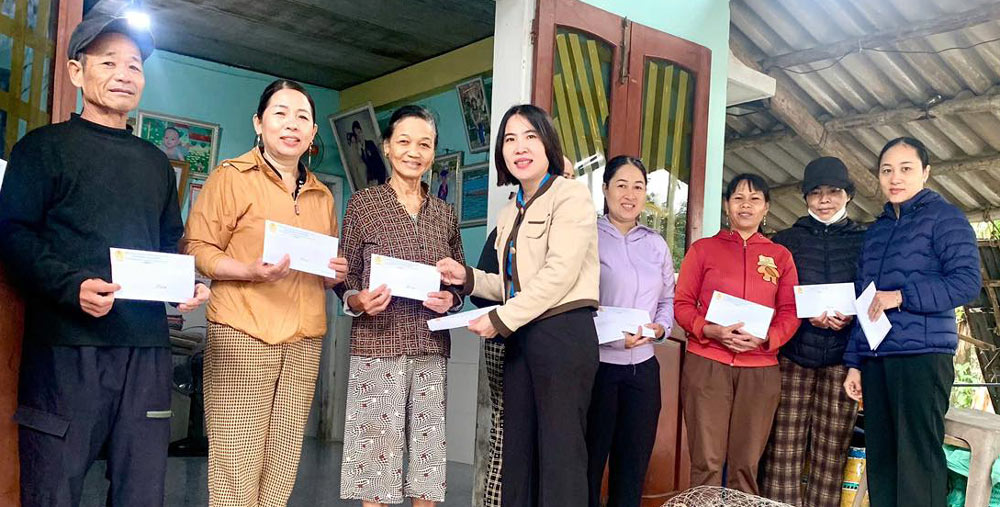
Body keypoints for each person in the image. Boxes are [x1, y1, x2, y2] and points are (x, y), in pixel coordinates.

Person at [0, 13, 210, 506]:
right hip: (66, 348)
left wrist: (187, 283)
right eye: (109, 61)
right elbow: (12, 235)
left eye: (134, 65)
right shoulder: (42, 149)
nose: (123, 73)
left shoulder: (156, 162)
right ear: (77, 72)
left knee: (141, 490)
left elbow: (167, 242)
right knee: (53, 485)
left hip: (147, 349)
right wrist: (70, 286)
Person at [184, 79, 346, 506]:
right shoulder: (230, 177)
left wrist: (334, 274)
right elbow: (197, 248)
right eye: (280, 113)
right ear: (259, 122)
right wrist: (248, 271)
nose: (291, 124)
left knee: (283, 462)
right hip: (242, 330)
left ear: (312, 134)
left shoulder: (323, 196)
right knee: (236, 464)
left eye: (302, 117)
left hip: (304, 339)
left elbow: (324, 266)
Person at [438, 104, 600, 507]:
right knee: (518, 453)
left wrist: (499, 319)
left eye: (530, 136)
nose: (520, 147)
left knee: (560, 457)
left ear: (548, 144)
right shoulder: (511, 209)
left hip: (563, 336)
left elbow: (558, 275)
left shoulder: (571, 197)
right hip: (521, 336)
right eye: (510, 139)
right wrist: (469, 277)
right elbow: (515, 285)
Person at [336, 105, 465, 507]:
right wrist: (356, 300)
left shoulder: (445, 214)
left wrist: (453, 299)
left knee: (428, 465)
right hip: (376, 345)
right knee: (374, 461)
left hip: (431, 349)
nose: (414, 151)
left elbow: (456, 279)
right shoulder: (364, 205)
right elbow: (343, 276)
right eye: (404, 142)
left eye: (424, 144)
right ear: (388, 148)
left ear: (433, 153)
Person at [843, 137, 981, 507]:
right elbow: (865, 301)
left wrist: (902, 296)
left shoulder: (946, 218)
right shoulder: (877, 232)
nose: (895, 178)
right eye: (887, 170)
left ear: (926, 172)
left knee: (917, 460)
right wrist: (855, 363)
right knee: (883, 460)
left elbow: (967, 282)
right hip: (877, 358)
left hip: (922, 355)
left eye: (906, 169)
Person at [674, 173, 800, 495]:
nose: (746, 205)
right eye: (738, 198)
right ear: (727, 205)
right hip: (708, 363)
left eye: (755, 199)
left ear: (766, 207)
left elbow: (790, 311)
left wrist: (767, 338)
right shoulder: (703, 250)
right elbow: (683, 304)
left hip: (760, 369)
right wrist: (710, 330)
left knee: (746, 465)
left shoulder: (780, 257)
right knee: (707, 463)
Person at [759, 157, 865, 507]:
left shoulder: (864, 241)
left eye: (834, 192)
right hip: (794, 354)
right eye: (816, 193)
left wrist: (852, 319)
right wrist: (804, 319)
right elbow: (774, 297)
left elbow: (870, 294)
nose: (824, 200)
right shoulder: (785, 241)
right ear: (805, 197)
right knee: (783, 450)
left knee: (831, 452)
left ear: (847, 195)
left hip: (842, 358)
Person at [586, 156, 674, 507]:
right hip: (598, 368)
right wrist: (607, 337)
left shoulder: (656, 244)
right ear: (605, 189)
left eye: (638, 187)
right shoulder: (587, 237)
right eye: (621, 185)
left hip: (643, 371)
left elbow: (668, 298)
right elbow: (574, 303)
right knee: (590, 463)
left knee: (633, 466)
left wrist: (661, 328)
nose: (629, 194)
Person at [354, 120, 388, 186]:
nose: (358, 136)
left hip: (379, 175)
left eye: (359, 132)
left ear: (361, 131)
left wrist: (378, 179)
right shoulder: (359, 149)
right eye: (356, 135)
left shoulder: (370, 143)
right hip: (371, 179)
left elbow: (378, 162)